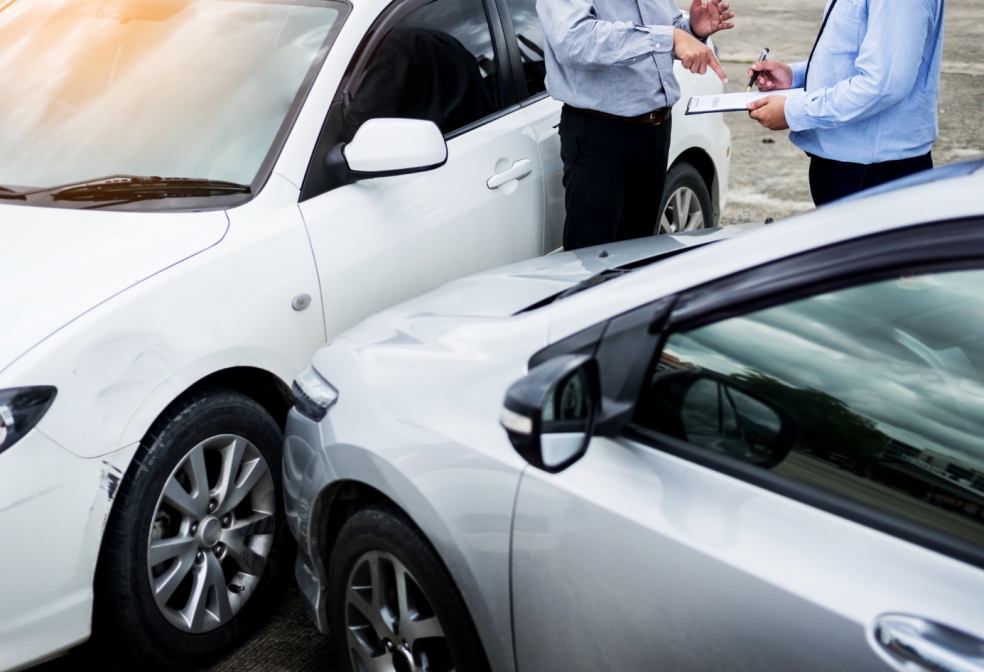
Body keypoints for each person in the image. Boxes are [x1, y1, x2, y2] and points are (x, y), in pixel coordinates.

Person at [537, 0, 734, 250]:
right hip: (601, 134)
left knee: (640, 253)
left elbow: (664, 28)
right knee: (595, 263)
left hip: (656, 129)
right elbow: (574, 41)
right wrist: (670, 37)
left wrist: (690, 30)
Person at [746, 0, 946, 206]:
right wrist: (795, 76)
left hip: (875, 173)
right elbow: (854, 58)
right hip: (853, 166)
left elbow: (883, 85)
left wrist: (793, 112)